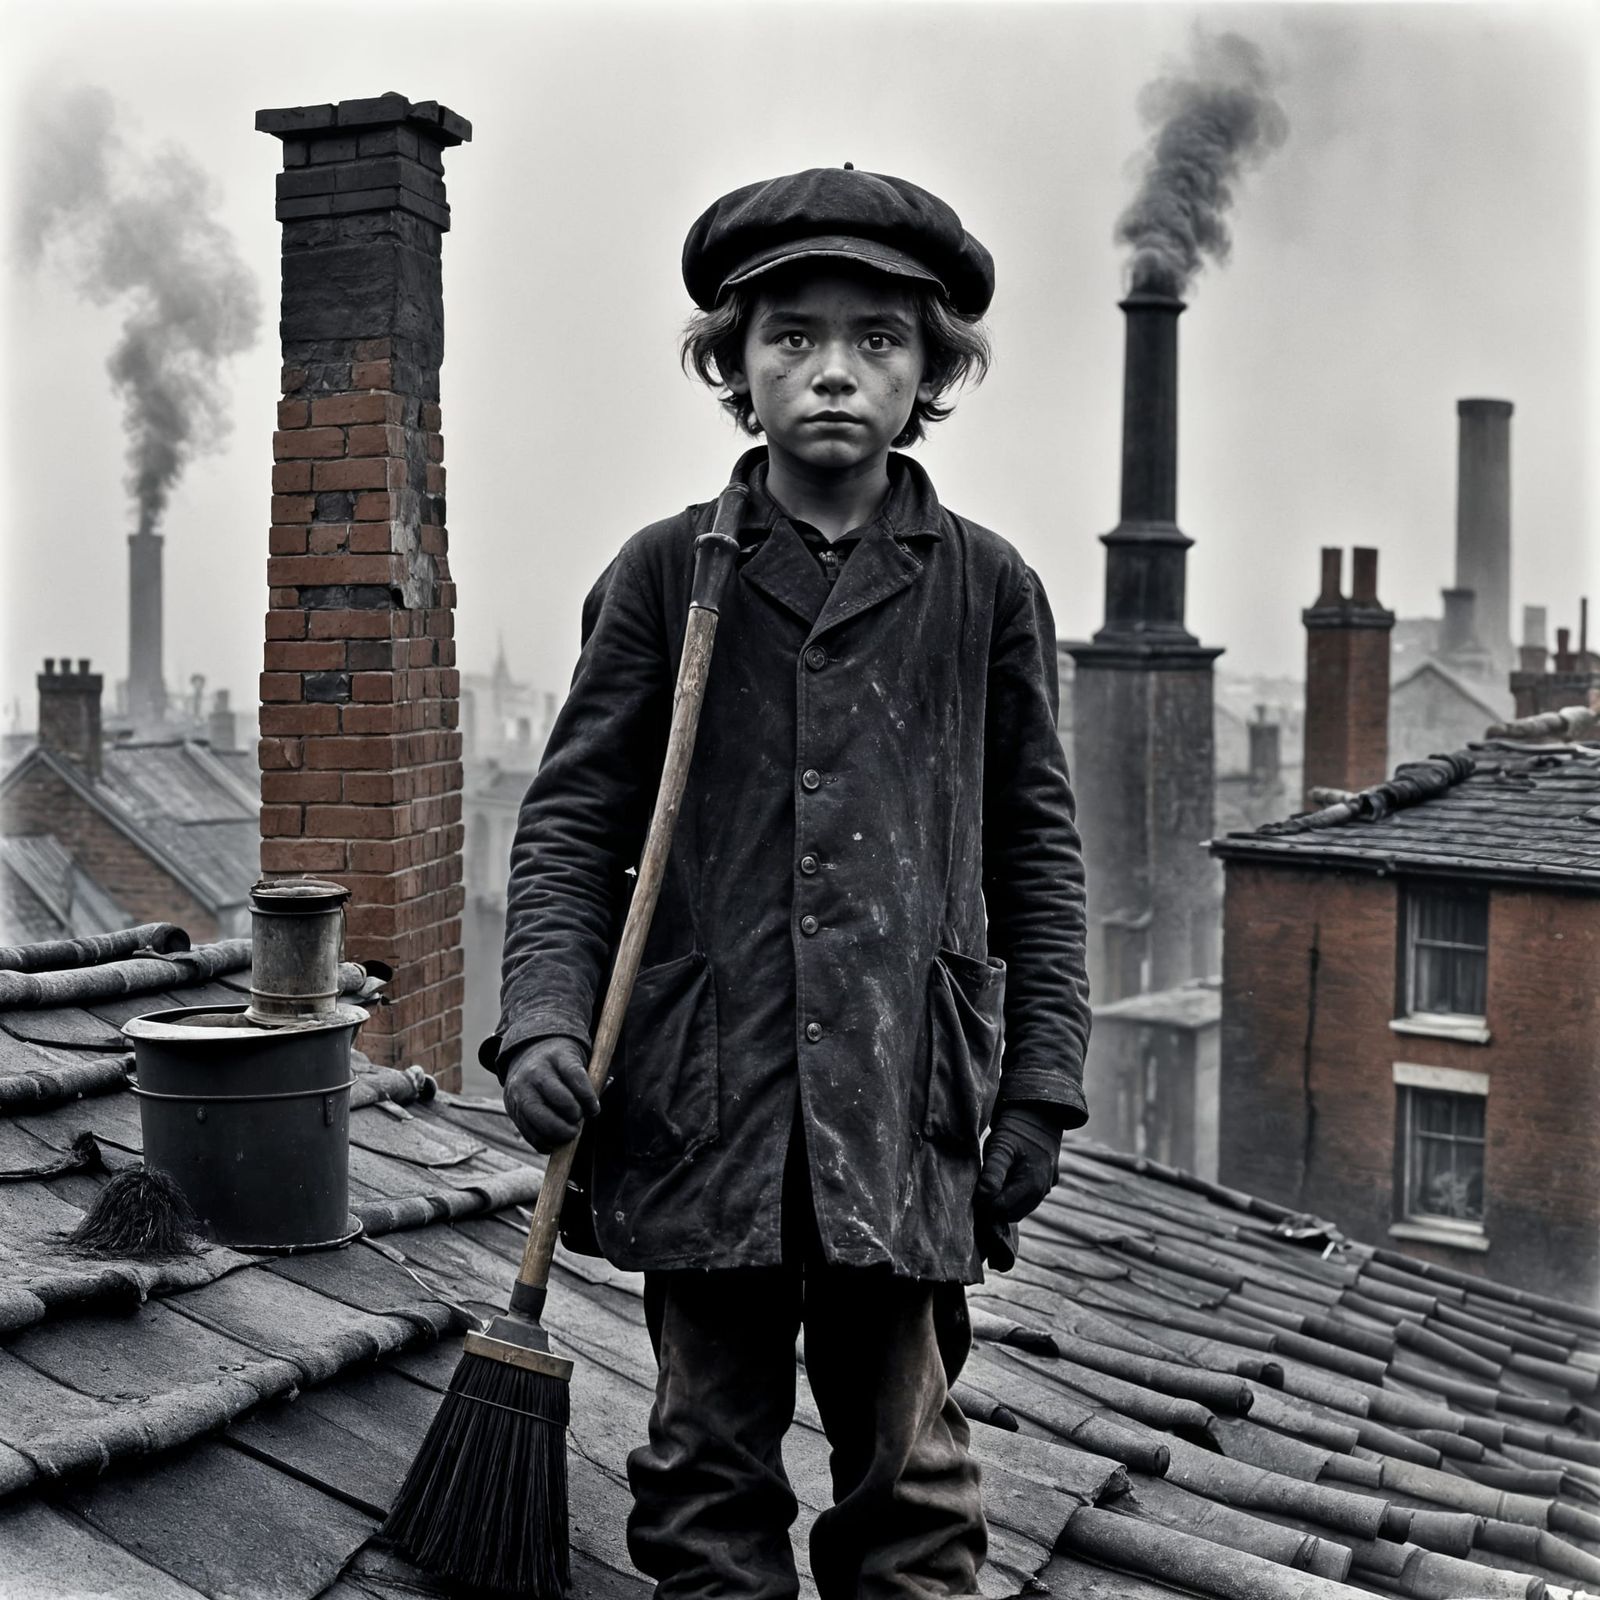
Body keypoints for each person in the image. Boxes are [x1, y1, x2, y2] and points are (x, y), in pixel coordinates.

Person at [483, 165, 1091, 1600]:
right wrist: (546, 1028)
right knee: (705, 1479)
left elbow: (1040, 858)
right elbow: (572, 828)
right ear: (734, 366)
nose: (832, 371)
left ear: (932, 370)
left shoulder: (985, 589)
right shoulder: (659, 577)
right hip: (703, 1109)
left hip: (907, 1111)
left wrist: (1040, 1089)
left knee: (914, 1490)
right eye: (791, 337)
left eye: (878, 341)